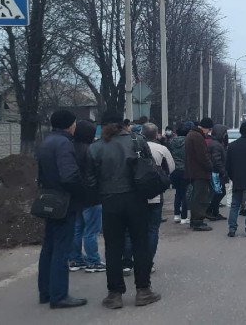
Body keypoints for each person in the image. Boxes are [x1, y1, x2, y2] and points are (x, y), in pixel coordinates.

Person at [86, 112, 160, 309]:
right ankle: (143, 291)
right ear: (123, 124)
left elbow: (90, 179)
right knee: (140, 244)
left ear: (102, 126)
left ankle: (114, 294)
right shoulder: (138, 140)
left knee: (113, 247)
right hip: (136, 200)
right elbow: (150, 167)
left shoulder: (95, 147)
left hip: (110, 202)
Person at [36, 110, 88, 309]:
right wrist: (82, 192)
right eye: (74, 123)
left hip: (48, 199)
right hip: (64, 203)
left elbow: (41, 174)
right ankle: (59, 295)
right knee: (61, 249)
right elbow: (69, 176)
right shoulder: (65, 144)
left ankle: (45, 292)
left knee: (48, 247)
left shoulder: (46, 142)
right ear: (69, 125)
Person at [123, 124, 175, 274]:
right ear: (157, 134)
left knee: (129, 230)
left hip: (133, 195)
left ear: (142, 133)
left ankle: (127, 263)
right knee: (152, 229)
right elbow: (170, 168)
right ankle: (147, 262)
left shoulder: (131, 146)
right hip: (154, 195)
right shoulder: (162, 149)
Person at [68, 120, 106, 274]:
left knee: (77, 229)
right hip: (92, 196)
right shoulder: (90, 150)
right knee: (91, 230)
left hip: (75, 195)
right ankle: (93, 261)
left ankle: (76, 259)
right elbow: (97, 174)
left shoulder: (70, 148)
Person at [185, 118, 215, 231]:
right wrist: (210, 166)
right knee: (200, 197)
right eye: (210, 129)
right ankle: (198, 221)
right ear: (207, 127)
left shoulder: (191, 134)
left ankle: (195, 220)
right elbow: (203, 156)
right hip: (199, 172)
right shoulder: (197, 136)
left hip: (193, 171)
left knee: (196, 196)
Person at [205, 124, 230, 221]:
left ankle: (214, 212)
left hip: (216, 172)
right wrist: (223, 171)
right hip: (215, 173)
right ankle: (210, 211)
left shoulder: (217, 143)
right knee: (219, 192)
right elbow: (217, 160)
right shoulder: (216, 145)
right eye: (224, 133)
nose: (225, 135)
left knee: (219, 192)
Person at [168, 123, 190, 224]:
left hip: (174, 169)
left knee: (178, 192)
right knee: (185, 193)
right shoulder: (188, 142)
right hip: (185, 170)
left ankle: (176, 215)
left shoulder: (171, 142)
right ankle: (184, 217)